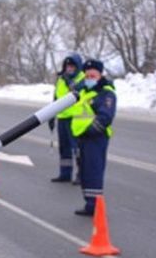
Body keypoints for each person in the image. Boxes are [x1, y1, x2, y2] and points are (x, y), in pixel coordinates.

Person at [69, 58, 117, 216]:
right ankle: (89, 203)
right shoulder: (84, 92)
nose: (89, 79)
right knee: (84, 171)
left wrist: (90, 130)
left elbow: (105, 116)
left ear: (100, 75)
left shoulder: (106, 93)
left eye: (93, 76)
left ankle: (94, 205)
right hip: (82, 137)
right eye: (87, 76)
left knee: (93, 171)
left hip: (96, 137)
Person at [49, 53, 85, 184]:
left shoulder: (82, 79)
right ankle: (65, 173)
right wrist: (51, 115)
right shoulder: (61, 79)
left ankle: (82, 174)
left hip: (76, 118)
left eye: (72, 66)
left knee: (77, 148)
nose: (69, 68)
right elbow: (56, 98)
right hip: (62, 117)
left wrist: (70, 82)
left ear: (78, 67)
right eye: (67, 66)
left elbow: (78, 93)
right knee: (64, 148)